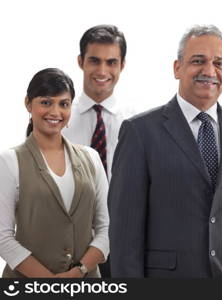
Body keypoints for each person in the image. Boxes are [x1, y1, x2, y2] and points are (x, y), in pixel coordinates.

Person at [108, 25, 222, 278]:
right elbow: (125, 232)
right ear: (177, 68)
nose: (209, 71)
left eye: (219, 64)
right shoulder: (139, 132)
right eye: (198, 61)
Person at [0, 68, 109, 278]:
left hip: (86, 282)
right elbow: (3, 237)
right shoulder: (9, 161)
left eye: (64, 104)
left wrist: (80, 271)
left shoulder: (92, 158)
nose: (56, 112)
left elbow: (106, 228)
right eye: (46, 102)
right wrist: (49, 282)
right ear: (28, 104)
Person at [63, 24, 128, 277]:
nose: (102, 71)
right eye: (94, 61)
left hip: (122, 245)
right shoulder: (58, 120)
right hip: (69, 245)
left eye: (111, 62)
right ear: (81, 61)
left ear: (122, 65)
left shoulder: (137, 124)